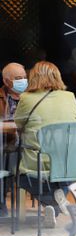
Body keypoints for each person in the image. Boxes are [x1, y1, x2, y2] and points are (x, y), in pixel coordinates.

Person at [14, 61, 76, 228]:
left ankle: (50, 203)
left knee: (22, 178)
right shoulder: (70, 96)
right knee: (58, 177)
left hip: (38, 160)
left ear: (33, 77)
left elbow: (18, 124)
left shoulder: (26, 98)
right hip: (69, 162)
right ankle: (57, 200)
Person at [0, 62, 28, 217]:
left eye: (24, 77)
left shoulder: (31, 96)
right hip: (6, 141)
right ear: (6, 81)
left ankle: (49, 199)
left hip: (29, 142)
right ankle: (1, 202)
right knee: (5, 155)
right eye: (18, 78)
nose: (23, 81)